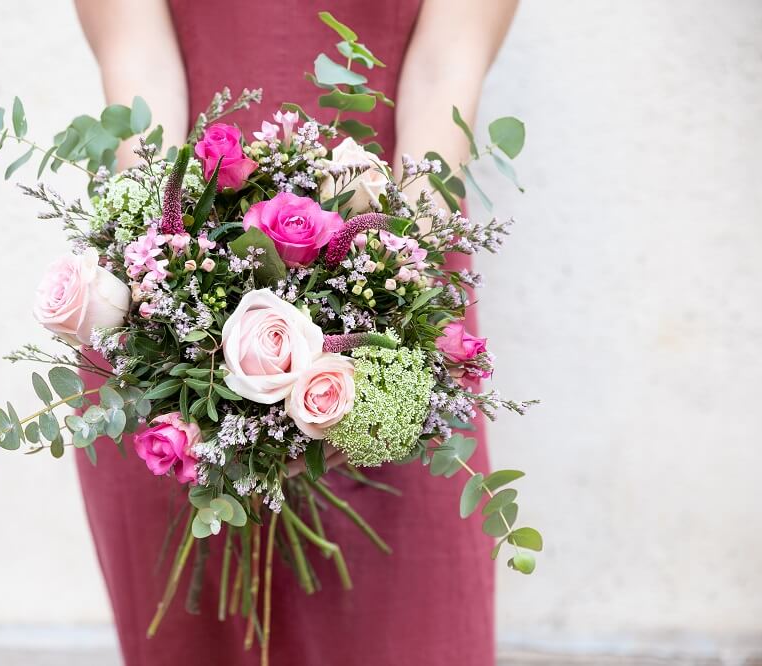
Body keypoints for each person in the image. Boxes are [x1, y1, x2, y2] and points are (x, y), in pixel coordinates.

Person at [73, 2, 518, 664]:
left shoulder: (392, 297)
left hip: (392, 283)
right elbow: (139, 70)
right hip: (177, 318)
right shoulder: (171, 300)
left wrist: (384, 307)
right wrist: (170, 291)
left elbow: (442, 71)